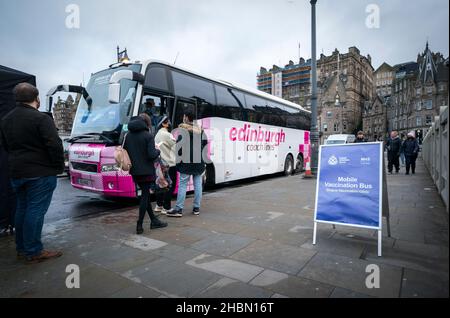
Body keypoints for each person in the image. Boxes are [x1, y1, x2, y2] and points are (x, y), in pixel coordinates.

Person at [0, 83, 64, 264]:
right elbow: (54, 145)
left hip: (17, 172)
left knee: (22, 209)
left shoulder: (6, 119)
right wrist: (58, 166)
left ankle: (22, 248)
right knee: (35, 211)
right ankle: (33, 250)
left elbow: (6, 146)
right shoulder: (41, 119)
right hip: (40, 172)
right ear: (36, 98)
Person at [123, 114, 167, 234]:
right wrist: (158, 150)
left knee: (144, 195)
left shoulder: (128, 136)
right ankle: (140, 223)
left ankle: (153, 220)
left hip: (134, 171)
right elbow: (151, 155)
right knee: (145, 196)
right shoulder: (148, 136)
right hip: (146, 171)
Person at [167, 110, 208, 217]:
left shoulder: (183, 131)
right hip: (198, 161)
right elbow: (205, 145)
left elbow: (179, 148)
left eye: (184, 116)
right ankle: (196, 208)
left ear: (186, 118)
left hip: (186, 162)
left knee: (183, 185)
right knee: (198, 184)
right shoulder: (201, 131)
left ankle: (179, 209)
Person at [154, 116, 177, 214]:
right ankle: (166, 207)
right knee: (170, 185)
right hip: (169, 164)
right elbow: (176, 147)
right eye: (168, 122)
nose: (170, 123)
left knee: (161, 184)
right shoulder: (167, 135)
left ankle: (159, 205)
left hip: (160, 164)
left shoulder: (156, 135)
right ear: (163, 124)